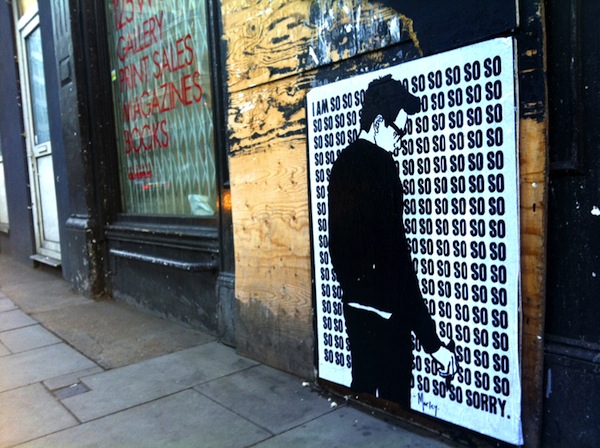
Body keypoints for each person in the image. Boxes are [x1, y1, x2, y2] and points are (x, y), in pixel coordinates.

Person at [327, 74, 456, 407]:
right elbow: (396, 259)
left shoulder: (341, 164)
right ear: (378, 124)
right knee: (396, 409)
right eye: (398, 132)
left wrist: (355, 291)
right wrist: (433, 344)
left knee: (363, 394)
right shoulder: (383, 167)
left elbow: (336, 245)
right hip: (389, 316)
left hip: (355, 310)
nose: (400, 142)